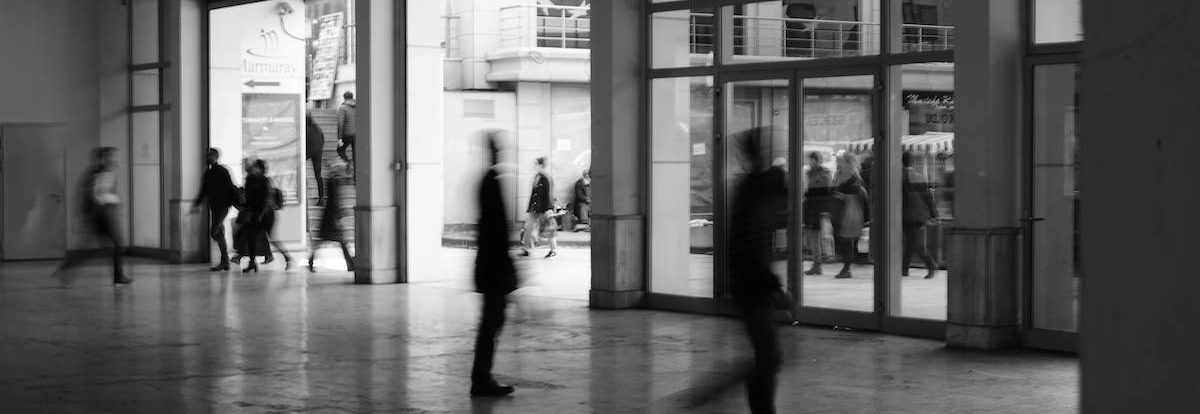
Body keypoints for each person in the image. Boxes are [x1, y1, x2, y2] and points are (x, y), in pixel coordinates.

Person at [728, 128, 784, 414]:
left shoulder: (753, 187)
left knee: (768, 356)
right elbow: (749, 242)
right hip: (752, 284)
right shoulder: (753, 190)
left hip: (751, 282)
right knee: (768, 356)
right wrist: (772, 285)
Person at [470, 133, 519, 397]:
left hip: (490, 267)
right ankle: (481, 378)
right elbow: (496, 231)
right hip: (494, 268)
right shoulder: (492, 182)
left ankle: (482, 377)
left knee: (490, 322)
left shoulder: (486, 181)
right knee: (491, 323)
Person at [53, 147, 131, 285]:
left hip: (101, 216)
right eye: (112, 157)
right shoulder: (100, 173)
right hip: (100, 217)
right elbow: (96, 195)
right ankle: (118, 276)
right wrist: (114, 199)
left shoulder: (106, 172)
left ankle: (66, 268)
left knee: (97, 248)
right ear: (103, 158)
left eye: (115, 156)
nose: (115, 159)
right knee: (116, 245)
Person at [193, 148, 238, 271]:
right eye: (207, 155)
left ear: (216, 157)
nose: (208, 158)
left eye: (210, 155)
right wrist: (197, 203)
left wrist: (229, 203)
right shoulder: (209, 173)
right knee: (219, 232)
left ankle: (225, 259)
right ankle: (224, 262)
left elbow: (230, 188)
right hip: (215, 207)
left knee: (214, 232)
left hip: (222, 207)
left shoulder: (222, 171)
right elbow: (204, 190)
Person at [241, 159, 291, 272]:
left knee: (270, 238)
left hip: (267, 215)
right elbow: (249, 199)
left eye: (256, 167)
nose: (253, 169)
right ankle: (252, 262)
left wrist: (260, 214)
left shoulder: (264, 181)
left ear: (260, 169)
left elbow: (266, 199)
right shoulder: (250, 180)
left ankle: (287, 258)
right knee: (251, 236)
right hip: (257, 214)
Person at [306, 160, 355, 273]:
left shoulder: (331, 181)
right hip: (332, 217)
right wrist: (338, 215)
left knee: (326, 240)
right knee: (341, 242)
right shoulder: (333, 182)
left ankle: (311, 261)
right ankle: (350, 264)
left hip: (330, 216)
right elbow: (334, 200)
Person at [901, 151, 940, 279]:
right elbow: (928, 197)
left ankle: (931, 264)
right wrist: (934, 214)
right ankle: (904, 269)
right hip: (920, 214)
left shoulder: (900, 177)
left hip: (908, 215)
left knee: (915, 243)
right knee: (911, 243)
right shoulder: (919, 176)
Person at [833, 153, 869, 279]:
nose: (840, 163)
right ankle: (847, 265)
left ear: (849, 163)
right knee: (841, 239)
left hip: (850, 212)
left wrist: (841, 196)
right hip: (840, 211)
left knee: (846, 240)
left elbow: (860, 195)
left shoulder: (855, 178)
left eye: (842, 161)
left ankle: (847, 267)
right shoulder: (839, 175)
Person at [802, 151, 835, 275]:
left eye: (811, 160)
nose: (809, 162)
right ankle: (817, 263)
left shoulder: (824, 173)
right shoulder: (809, 172)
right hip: (812, 206)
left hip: (819, 208)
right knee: (813, 237)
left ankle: (819, 262)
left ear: (817, 160)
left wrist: (826, 209)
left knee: (821, 236)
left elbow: (827, 190)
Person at [520, 157, 557, 258]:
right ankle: (526, 249)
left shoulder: (546, 177)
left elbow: (549, 194)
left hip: (544, 208)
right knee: (529, 227)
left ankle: (553, 250)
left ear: (540, 165)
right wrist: (530, 208)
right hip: (535, 208)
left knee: (550, 229)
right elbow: (534, 194)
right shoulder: (537, 176)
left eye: (535, 164)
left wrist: (549, 209)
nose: (534, 166)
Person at [306, 113, 326, 205]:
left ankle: (304, 192)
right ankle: (321, 198)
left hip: (307, 153)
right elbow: (323, 139)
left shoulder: (305, 129)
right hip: (318, 153)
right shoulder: (317, 128)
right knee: (318, 176)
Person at [336, 91, 357, 177]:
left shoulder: (343, 108)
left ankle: (348, 162)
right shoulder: (358, 106)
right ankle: (356, 179)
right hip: (357, 134)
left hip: (347, 134)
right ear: (352, 97)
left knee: (340, 150)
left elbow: (340, 123)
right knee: (356, 157)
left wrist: (340, 138)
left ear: (344, 98)